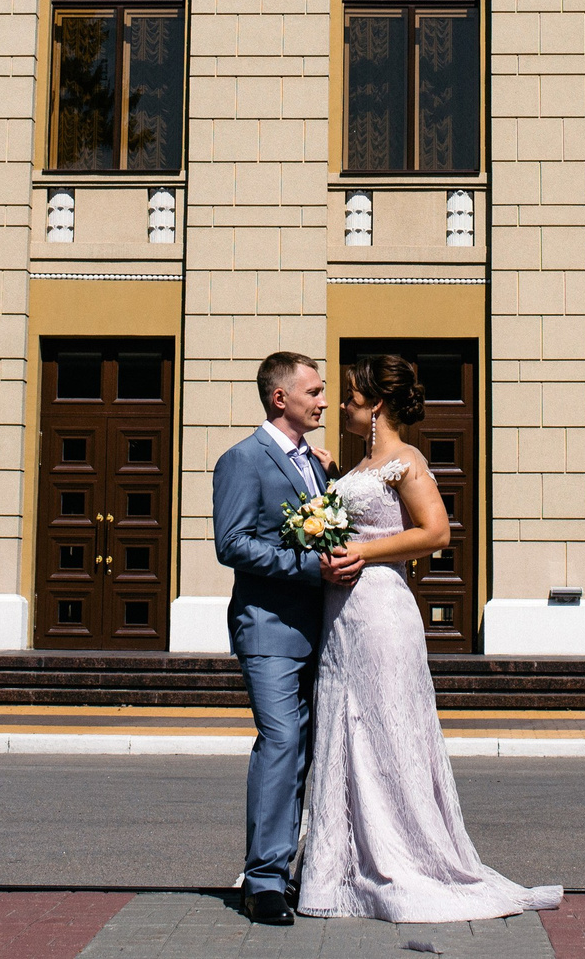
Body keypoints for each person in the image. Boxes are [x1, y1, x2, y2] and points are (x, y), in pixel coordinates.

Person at [297, 354, 562, 923]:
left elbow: (435, 532)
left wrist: (363, 550)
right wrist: (329, 476)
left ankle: (407, 860)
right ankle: (344, 864)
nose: (341, 405)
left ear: (377, 407)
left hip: (383, 614)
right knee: (348, 728)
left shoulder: (405, 460)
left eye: (349, 397)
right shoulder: (360, 463)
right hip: (344, 617)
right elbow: (360, 509)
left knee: (388, 730)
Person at [213, 350, 360, 927]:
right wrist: (309, 567)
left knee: (307, 752)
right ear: (282, 399)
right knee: (279, 743)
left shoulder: (313, 464)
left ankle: (304, 867)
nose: (324, 400)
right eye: (315, 391)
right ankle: (264, 881)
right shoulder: (242, 461)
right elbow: (233, 543)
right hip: (268, 629)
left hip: (320, 632)